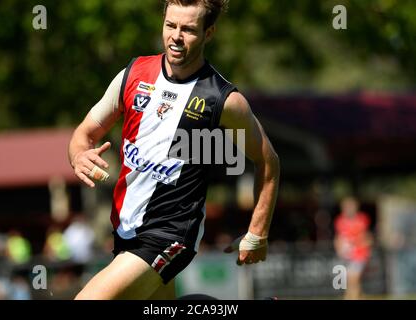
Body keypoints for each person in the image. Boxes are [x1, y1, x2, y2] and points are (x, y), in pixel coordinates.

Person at [68, 0, 280, 300]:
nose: (176, 36)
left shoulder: (222, 99)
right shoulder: (134, 73)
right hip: (125, 230)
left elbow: (268, 162)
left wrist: (257, 232)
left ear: (209, 33)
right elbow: (84, 133)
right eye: (171, 26)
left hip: (171, 234)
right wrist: (78, 154)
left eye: (189, 29)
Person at [334, 196, 373, 300]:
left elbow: (367, 238)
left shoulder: (362, 219)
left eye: (350, 206)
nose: (348, 209)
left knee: (353, 279)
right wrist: (340, 249)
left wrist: (358, 244)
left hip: (360, 254)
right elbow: (339, 237)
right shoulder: (340, 220)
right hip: (347, 255)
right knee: (349, 280)